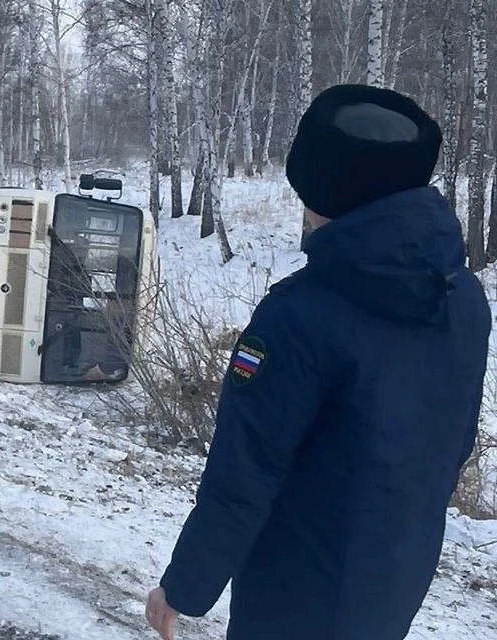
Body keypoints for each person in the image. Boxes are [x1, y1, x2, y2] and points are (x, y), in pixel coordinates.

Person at [145, 84, 492, 640]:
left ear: (324, 190)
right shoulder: (463, 297)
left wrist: (185, 585)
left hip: (296, 592)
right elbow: (455, 444)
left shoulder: (297, 316)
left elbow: (245, 473)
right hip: (396, 576)